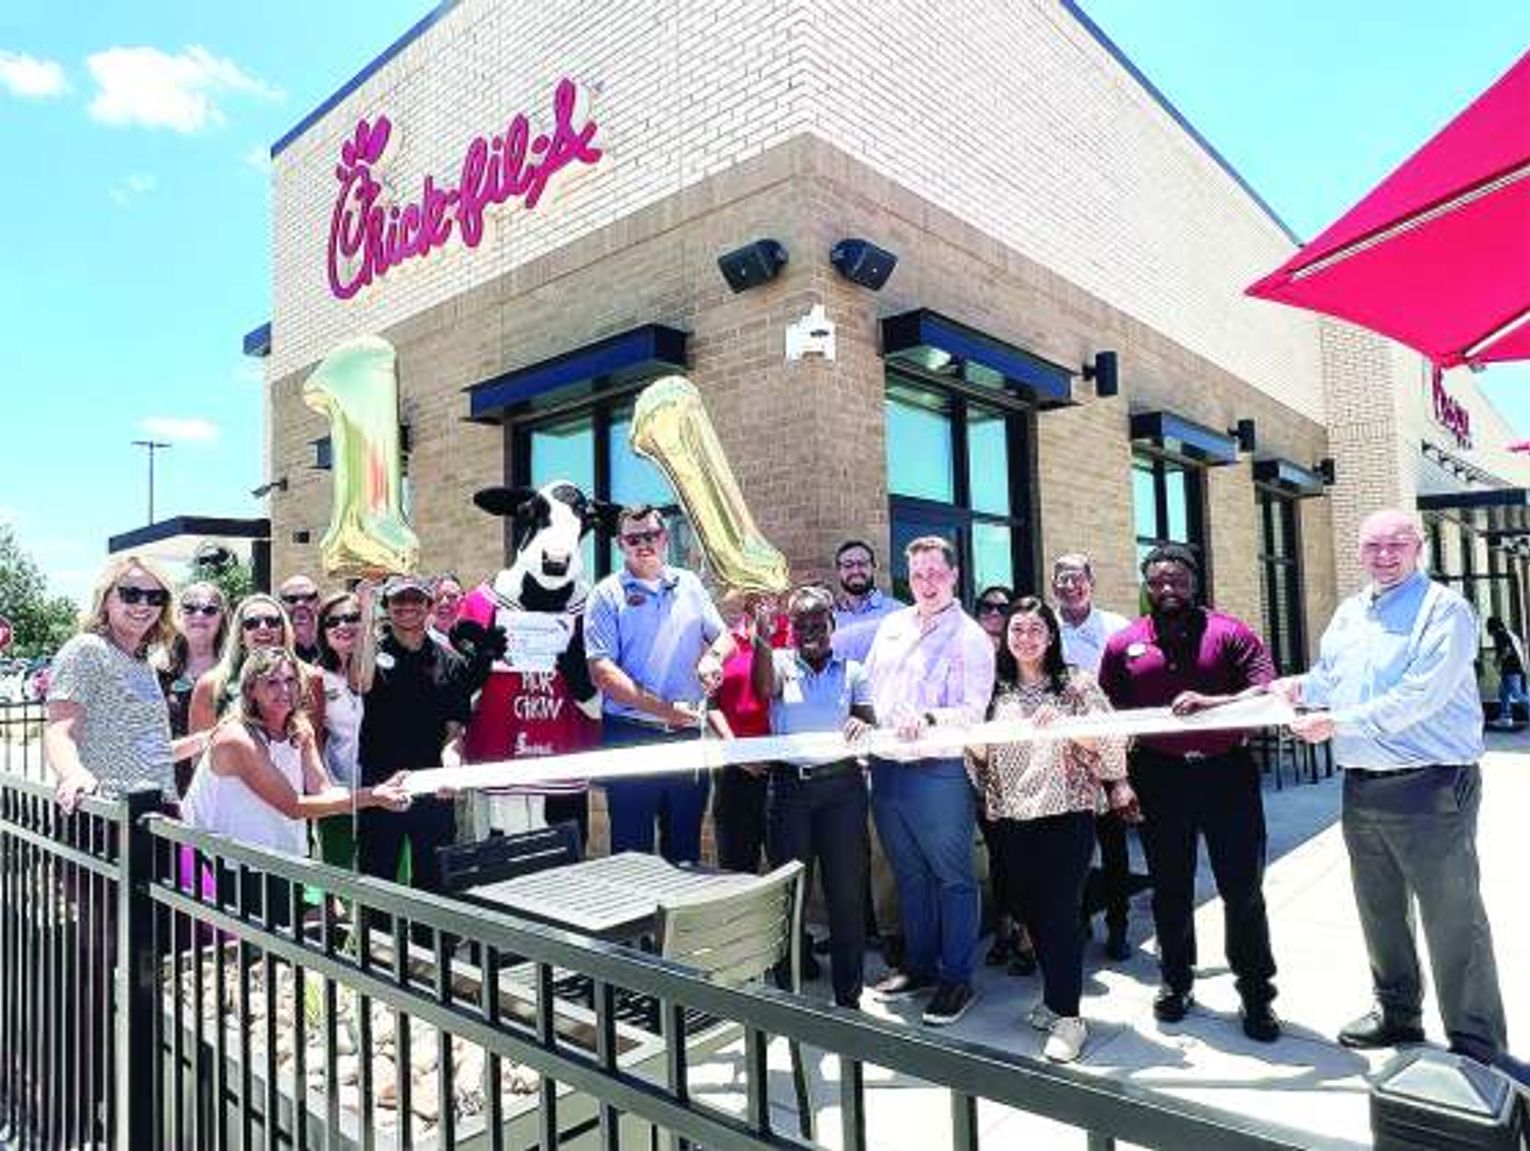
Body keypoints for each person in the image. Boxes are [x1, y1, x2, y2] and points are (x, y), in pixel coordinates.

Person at [1276, 509, 1508, 1066]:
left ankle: (1477, 1044)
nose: (1383, 556)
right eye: (1372, 546)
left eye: (1395, 545)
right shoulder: (1352, 612)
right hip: (1362, 788)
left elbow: (1418, 698)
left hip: (1431, 786)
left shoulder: (1444, 611)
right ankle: (1398, 1013)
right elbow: (1331, 679)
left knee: (1453, 916)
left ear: (1418, 546)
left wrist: (1337, 723)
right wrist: (1295, 686)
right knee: (1379, 910)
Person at [1097, 543, 1281, 1042]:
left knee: (1241, 888)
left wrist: (1214, 703)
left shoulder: (1230, 633)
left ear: (1194, 581)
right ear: (1146, 586)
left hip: (1227, 775)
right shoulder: (1124, 645)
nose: (1167, 590)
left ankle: (1256, 993)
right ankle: (1176, 982)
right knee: (1171, 888)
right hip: (1160, 774)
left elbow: (1267, 690)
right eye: (1157, 582)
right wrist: (1118, 781)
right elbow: (1107, 718)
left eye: (1176, 580)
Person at [969, 597, 1135, 1062]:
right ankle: (1053, 999)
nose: (1025, 638)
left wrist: (1065, 725)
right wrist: (977, 745)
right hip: (1011, 820)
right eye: (1016, 629)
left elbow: (1112, 746)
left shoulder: (1075, 685)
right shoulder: (995, 691)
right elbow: (980, 764)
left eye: (1035, 629)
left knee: (1060, 914)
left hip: (1065, 817)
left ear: (1051, 636)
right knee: (1028, 911)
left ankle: (1069, 1017)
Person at [863, 536, 994, 1027]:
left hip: (937, 774)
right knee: (909, 875)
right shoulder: (893, 625)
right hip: (887, 769)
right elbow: (870, 687)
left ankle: (956, 978)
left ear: (955, 575)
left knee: (953, 878)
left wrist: (930, 717)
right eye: (918, 575)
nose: (927, 583)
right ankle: (919, 967)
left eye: (936, 573)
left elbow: (973, 710)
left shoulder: (970, 637)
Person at [584, 505, 733, 863]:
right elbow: (602, 673)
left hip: (687, 740)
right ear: (621, 544)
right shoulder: (605, 595)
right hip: (630, 736)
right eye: (634, 538)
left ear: (664, 538)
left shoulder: (691, 585)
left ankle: (677, 922)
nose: (644, 544)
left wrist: (714, 656)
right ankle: (637, 923)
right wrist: (667, 711)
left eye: (651, 535)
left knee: (685, 853)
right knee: (632, 858)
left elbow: (724, 636)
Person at [752, 585, 877, 1008]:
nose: (809, 630)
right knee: (792, 894)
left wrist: (863, 727)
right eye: (800, 623)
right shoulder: (780, 664)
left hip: (843, 790)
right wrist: (763, 637)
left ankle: (848, 996)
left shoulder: (853, 671)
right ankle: (788, 993)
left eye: (817, 622)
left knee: (846, 895)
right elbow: (762, 686)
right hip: (790, 792)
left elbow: (868, 722)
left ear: (832, 625)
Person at [184, 645, 409, 856]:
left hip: (279, 858)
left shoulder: (300, 728)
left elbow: (322, 792)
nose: (284, 690)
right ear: (251, 690)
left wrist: (380, 791)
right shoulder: (237, 738)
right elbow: (293, 806)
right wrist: (371, 797)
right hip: (220, 862)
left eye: (290, 680)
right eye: (272, 682)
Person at [45, 556, 210, 812]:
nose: (143, 604)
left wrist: (205, 740)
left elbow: (148, 751)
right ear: (106, 598)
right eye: (131, 594)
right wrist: (73, 773)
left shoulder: (142, 664)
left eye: (155, 597)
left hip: (155, 810)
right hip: (108, 812)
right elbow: (60, 730)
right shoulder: (87, 649)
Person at [356, 574, 473, 895]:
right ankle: (374, 945)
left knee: (434, 884)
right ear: (387, 606)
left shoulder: (452, 663)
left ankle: (433, 947)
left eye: (416, 600)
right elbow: (358, 682)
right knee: (377, 882)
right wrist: (365, 607)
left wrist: (452, 767)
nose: (407, 607)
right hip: (380, 785)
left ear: (429, 607)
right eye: (398, 600)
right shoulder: (369, 657)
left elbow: (453, 732)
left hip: (431, 788)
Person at [1051, 552, 1134, 961]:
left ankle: (1118, 924)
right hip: (1061, 759)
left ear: (1091, 582)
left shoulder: (1118, 628)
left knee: (1113, 845)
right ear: (1054, 586)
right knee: (1070, 849)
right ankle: (1079, 919)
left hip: (1108, 753)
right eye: (1062, 579)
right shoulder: (1045, 628)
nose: (1070, 585)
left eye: (1077, 578)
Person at [970, 585, 1036, 976]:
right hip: (987, 776)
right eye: (986, 607)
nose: (994, 613)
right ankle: (1004, 929)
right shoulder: (973, 660)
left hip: (1026, 775)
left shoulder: (1024, 660)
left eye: (1002, 608)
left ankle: (1028, 936)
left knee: (1025, 857)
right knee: (1000, 858)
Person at [710, 592, 787, 874]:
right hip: (735, 769)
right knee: (735, 866)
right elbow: (710, 703)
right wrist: (736, 752)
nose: (763, 602)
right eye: (755, 595)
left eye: (770, 596)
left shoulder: (793, 637)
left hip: (780, 770)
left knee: (785, 864)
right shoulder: (727, 641)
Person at [189, 594, 326, 742]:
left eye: (272, 622)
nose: (263, 628)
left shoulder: (310, 678)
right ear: (241, 635)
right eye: (252, 623)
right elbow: (199, 754)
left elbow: (315, 744)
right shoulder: (211, 684)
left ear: (283, 630)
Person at [310, 587, 377, 867]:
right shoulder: (316, 677)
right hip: (339, 790)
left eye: (352, 617)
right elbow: (312, 736)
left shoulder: (383, 666)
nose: (343, 626)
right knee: (339, 875)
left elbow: (361, 681)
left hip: (380, 787)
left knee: (388, 880)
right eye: (333, 621)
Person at [158, 580, 228, 795]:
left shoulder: (236, 673)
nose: (199, 616)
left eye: (209, 610)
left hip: (222, 783)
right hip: (169, 785)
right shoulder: (156, 673)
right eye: (190, 608)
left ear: (222, 618)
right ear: (178, 615)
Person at [831, 539, 901, 664]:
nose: (855, 571)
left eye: (862, 564)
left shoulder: (898, 613)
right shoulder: (829, 616)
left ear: (874, 567)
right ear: (838, 570)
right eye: (848, 565)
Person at [1485, 616, 1528, 729]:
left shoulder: (1500, 634)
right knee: (1503, 693)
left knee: (1516, 694)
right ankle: (1506, 718)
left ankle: (1506, 717)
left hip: (1511, 669)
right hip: (1513, 668)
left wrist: (1497, 662)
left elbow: (1506, 651)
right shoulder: (1507, 633)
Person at [279, 573, 324, 664]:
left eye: (309, 598)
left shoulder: (334, 644)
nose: (300, 604)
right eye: (292, 599)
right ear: (281, 605)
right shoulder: (275, 648)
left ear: (319, 602)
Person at [429, 572, 465, 646]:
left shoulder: (474, 640)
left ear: (463, 601)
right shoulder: (421, 642)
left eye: (452, 597)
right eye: (438, 597)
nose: (444, 602)